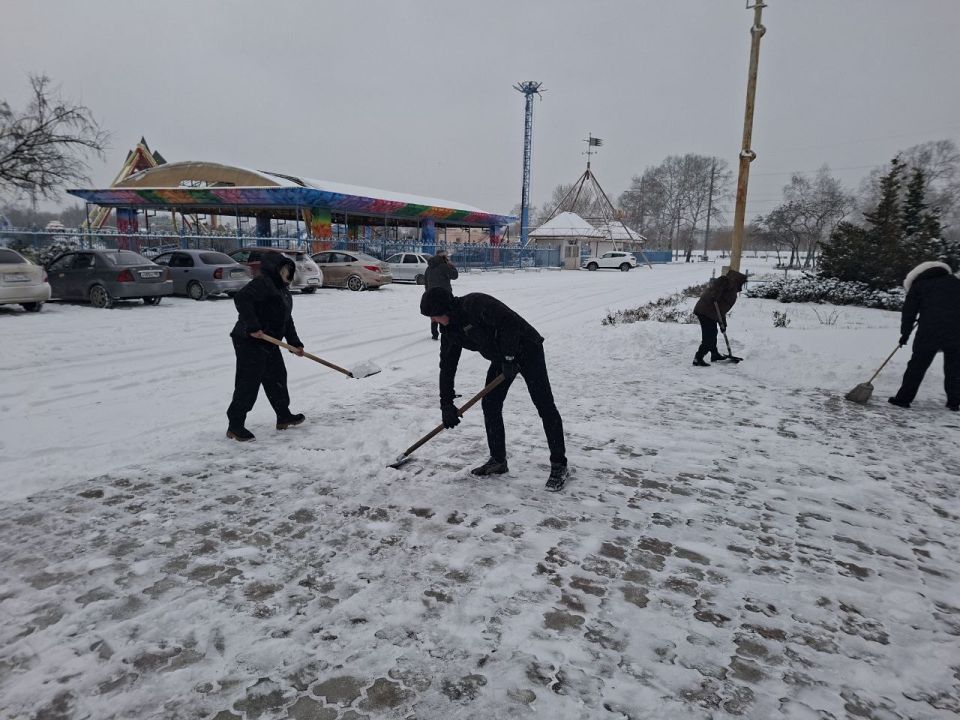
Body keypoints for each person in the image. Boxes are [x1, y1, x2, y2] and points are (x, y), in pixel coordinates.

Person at [420, 287, 568, 492]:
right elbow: (447, 366)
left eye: (435, 316)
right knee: (490, 404)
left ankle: (559, 464)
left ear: (446, 308)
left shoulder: (476, 304)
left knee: (544, 405)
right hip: (502, 357)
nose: (434, 321)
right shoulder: (450, 330)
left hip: (527, 348)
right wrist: (446, 403)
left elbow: (510, 323)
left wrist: (509, 358)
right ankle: (498, 460)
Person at [226, 252, 306, 441]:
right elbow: (241, 299)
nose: (288, 274)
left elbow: (286, 319)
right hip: (249, 341)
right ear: (275, 269)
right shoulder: (263, 283)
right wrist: (253, 326)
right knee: (248, 383)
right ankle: (235, 426)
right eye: (285, 270)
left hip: (269, 342)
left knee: (277, 378)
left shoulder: (282, 289)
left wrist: (294, 343)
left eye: (290, 271)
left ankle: (283, 416)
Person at [888, 261, 960, 411]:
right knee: (954, 368)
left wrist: (905, 334)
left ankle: (903, 399)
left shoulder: (919, 285)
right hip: (956, 332)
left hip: (929, 332)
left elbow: (909, 313)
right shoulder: (956, 283)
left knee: (917, 366)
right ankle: (954, 402)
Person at [692, 269, 748, 366]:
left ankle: (715, 354)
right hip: (706, 311)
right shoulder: (727, 281)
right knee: (709, 336)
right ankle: (698, 357)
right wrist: (715, 294)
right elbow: (718, 286)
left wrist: (723, 324)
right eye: (741, 283)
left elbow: (721, 309)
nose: (741, 286)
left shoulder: (732, 288)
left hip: (710, 312)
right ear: (737, 281)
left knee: (713, 333)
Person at [424, 249, 458, 340]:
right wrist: (451, 266)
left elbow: (425, 281)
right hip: (444, 294)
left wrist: (428, 292)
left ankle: (434, 334)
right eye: (446, 256)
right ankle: (445, 332)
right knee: (445, 313)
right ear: (443, 256)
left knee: (434, 313)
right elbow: (455, 276)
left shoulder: (429, 267)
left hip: (431, 294)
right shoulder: (444, 266)